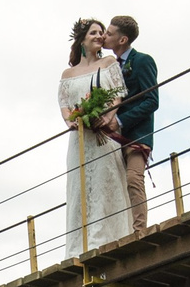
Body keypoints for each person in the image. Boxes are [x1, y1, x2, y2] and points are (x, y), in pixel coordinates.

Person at [58, 17, 132, 254]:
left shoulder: (108, 63)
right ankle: (77, 246)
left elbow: (117, 94)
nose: (99, 36)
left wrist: (107, 117)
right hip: (80, 138)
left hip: (104, 133)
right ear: (82, 40)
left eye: (101, 32)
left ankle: (105, 239)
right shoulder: (68, 74)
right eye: (93, 33)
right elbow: (64, 104)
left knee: (103, 183)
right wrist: (72, 120)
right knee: (79, 189)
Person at [106, 16, 158, 233]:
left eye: (109, 33)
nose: (104, 36)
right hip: (110, 139)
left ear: (122, 39)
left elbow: (152, 101)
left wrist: (120, 120)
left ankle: (139, 232)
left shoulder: (143, 61)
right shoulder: (108, 66)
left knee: (133, 179)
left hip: (136, 135)